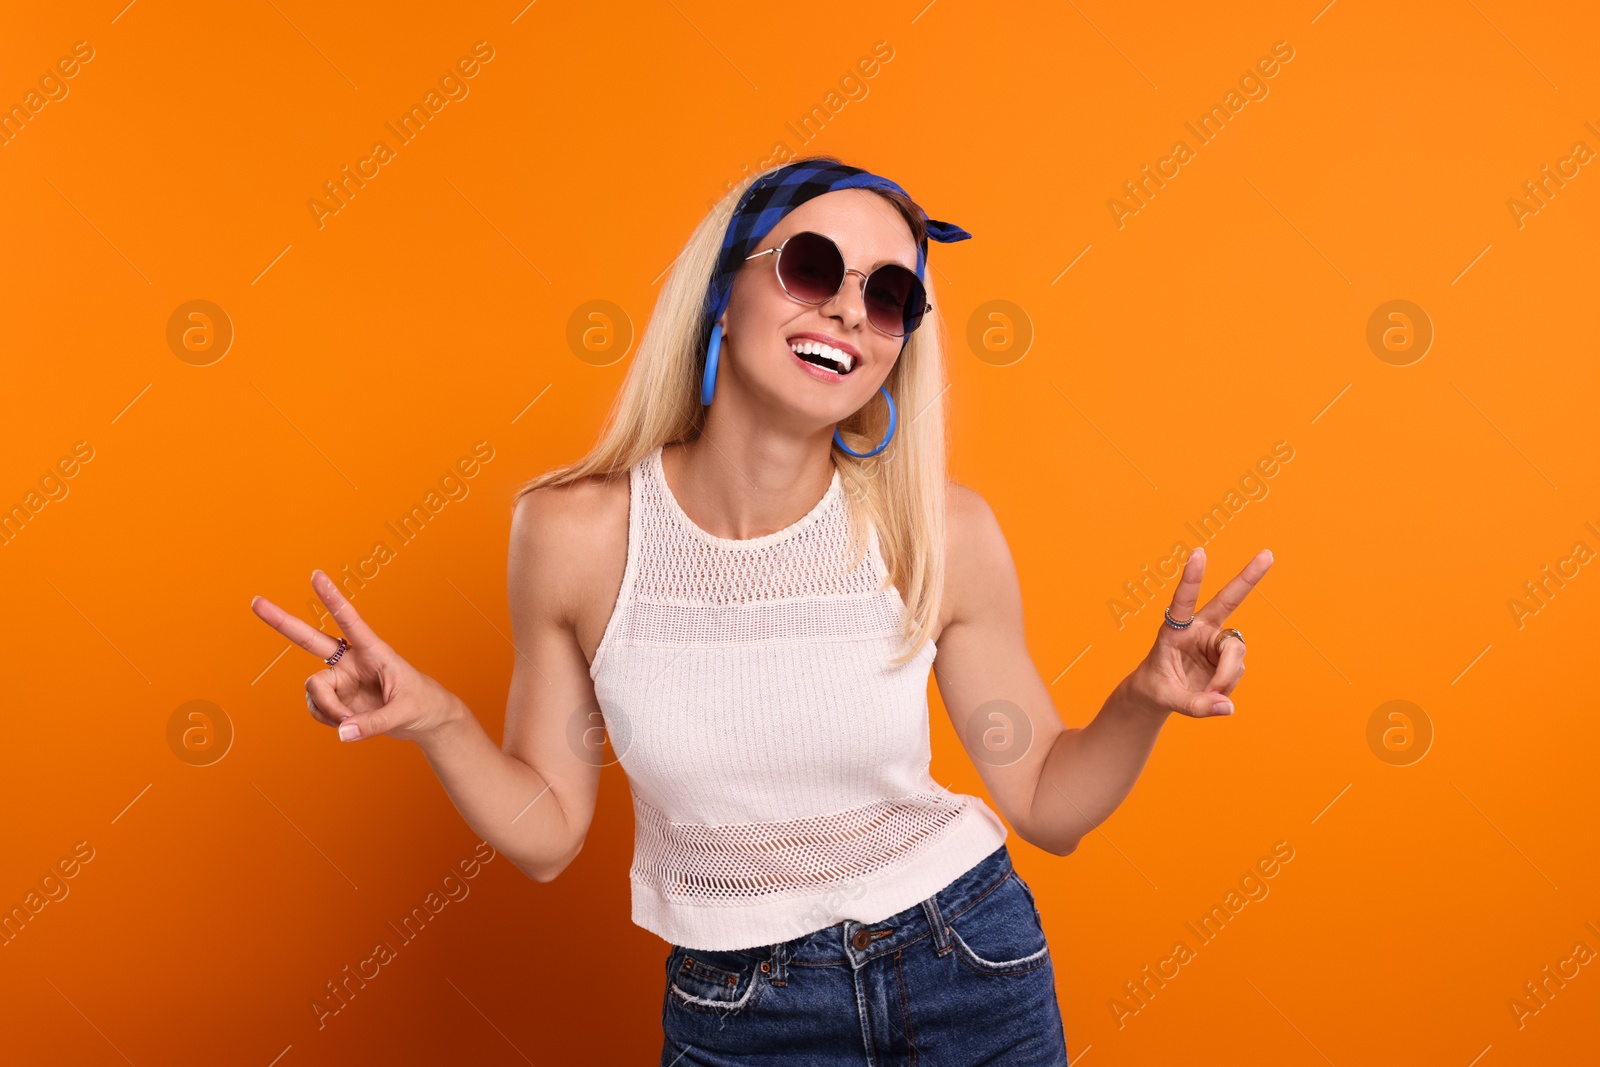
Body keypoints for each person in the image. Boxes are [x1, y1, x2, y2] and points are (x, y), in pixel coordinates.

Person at [250, 155, 1273, 1065]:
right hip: (742, 1009)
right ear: (723, 292)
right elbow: (549, 830)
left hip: (969, 963)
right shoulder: (574, 538)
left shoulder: (941, 533)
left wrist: (1141, 699)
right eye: (812, 267)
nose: (845, 311)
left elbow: (1048, 802)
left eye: (888, 298)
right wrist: (434, 717)